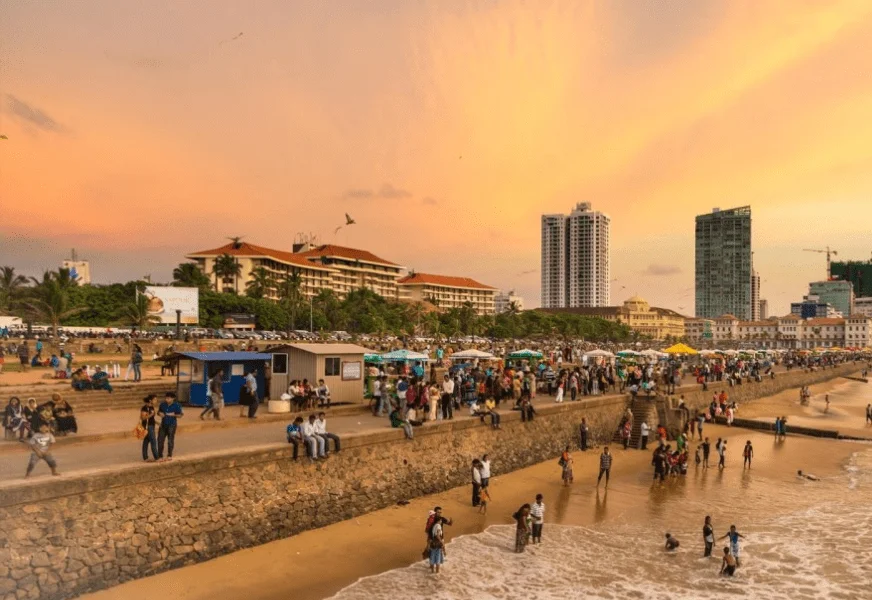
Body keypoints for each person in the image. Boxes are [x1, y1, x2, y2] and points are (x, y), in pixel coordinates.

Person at [157, 392, 183, 461]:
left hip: (172, 424)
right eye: (166, 398)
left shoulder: (177, 405)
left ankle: (169, 455)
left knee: (170, 440)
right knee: (160, 440)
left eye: (169, 398)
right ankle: (160, 456)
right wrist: (160, 413)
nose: (167, 399)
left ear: (173, 398)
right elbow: (158, 412)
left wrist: (173, 415)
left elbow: (180, 415)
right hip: (163, 424)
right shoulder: (162, 405)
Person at [140, 394, 159, 462]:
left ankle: (145, 458)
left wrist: (157, 423)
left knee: (146, 441)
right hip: (148, 427)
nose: (156, 401)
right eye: (155, 400)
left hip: (151, 426)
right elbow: (143, 418)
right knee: (153, 441)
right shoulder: (145, 408)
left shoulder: (152, 407)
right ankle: (157, 457)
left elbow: (151, 419)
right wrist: (151, 414)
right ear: (150, 400)